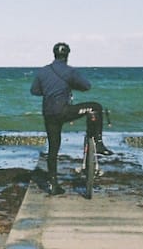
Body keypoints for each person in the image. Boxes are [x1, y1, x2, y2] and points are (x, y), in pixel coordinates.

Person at [30, 42, 112, 195]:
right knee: (95, 107)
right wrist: (71, 86)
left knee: (53, 148)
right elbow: (86, 86)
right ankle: (99, 143)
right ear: (67, 55)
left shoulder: (43, 71)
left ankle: (53, 186)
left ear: (54, 54)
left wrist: (51, 89)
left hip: (48, 113)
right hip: (64, 111)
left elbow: (34, 91)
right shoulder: (70, 71)